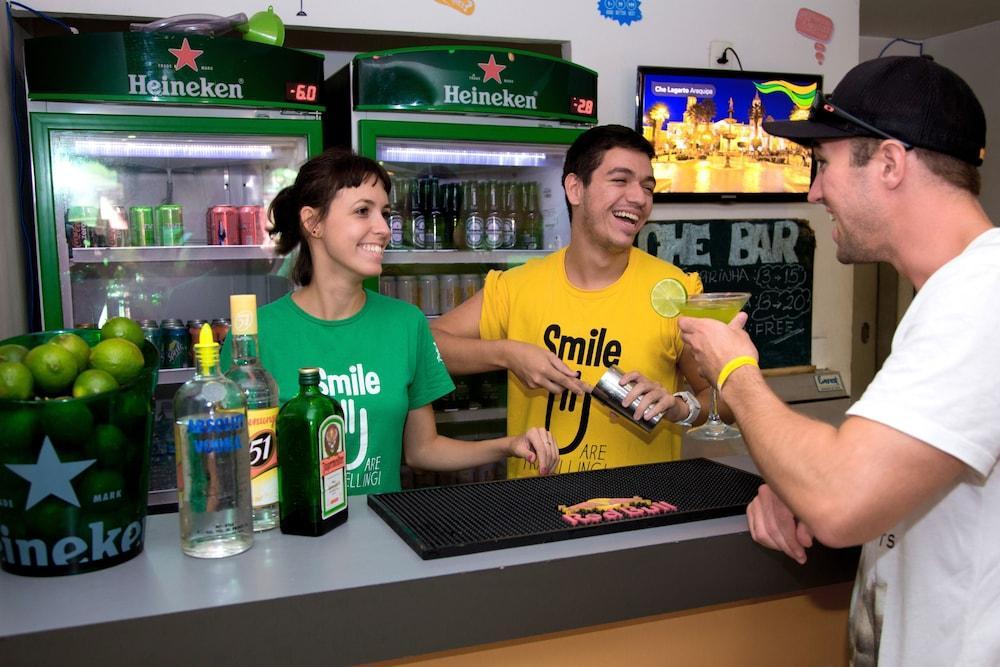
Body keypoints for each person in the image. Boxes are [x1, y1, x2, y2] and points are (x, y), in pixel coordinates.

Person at [677, 56, 996, 665]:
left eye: (824, 165)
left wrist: (734, 374)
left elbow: (843, 501)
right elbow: (874, 474)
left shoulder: (981, 297)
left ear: (891, 163)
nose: (815, 190)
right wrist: (797, 479)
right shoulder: (954, 295)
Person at [222, 149, 559, 495]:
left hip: (382, 534)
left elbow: (422, 449)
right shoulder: (255, 336)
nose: (383, 229)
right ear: (313, 223)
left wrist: (507, 445)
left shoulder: (405, 324)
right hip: (294, 540)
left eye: (384, 213)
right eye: (362, 211)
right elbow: (233, 471)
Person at [431, 125, 716, 478]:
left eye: (647, 186)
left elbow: (723, 397)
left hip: (642, 510)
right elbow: (427, 347)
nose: (640, 198)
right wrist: (507, 354)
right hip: (537, 509)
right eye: (620, 180)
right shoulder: (517, 286)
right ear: (575, 188)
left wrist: (678, 407)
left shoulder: (676, 291)